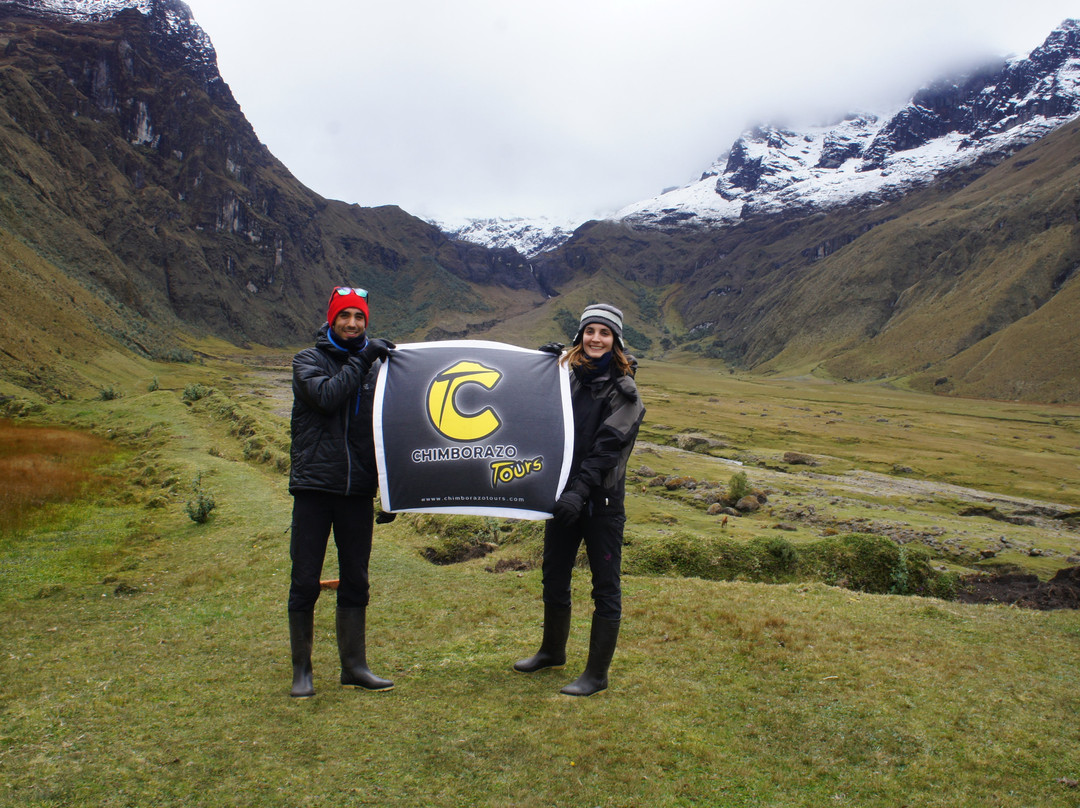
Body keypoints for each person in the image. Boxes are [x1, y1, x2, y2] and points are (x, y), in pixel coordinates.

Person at [515, 303, 645, 696]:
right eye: (590, 331)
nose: (595, 339)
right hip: (563, 498)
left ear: (616, 340)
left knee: (605, 586)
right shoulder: (567, 378)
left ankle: (597, 674)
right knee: (554, 574)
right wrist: (539, 372)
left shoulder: (626, 391)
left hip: (601, 502)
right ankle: (552, 651)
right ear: (579, 337)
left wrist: (578, 491)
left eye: (604, 333)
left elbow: (608, 449)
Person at [286, 286, 396, 698]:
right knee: (304, 578)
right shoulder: (307, 361)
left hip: (356, 491)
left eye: (359, 317)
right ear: (331, 319)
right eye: (345, 316)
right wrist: (365, 357)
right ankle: (302, 670)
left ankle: (354, 667)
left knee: (356, 578)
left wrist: (392, 489)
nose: (352, 324)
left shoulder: (377, 369)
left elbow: (392, 427)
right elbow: (327, 397)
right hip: (315, 486)